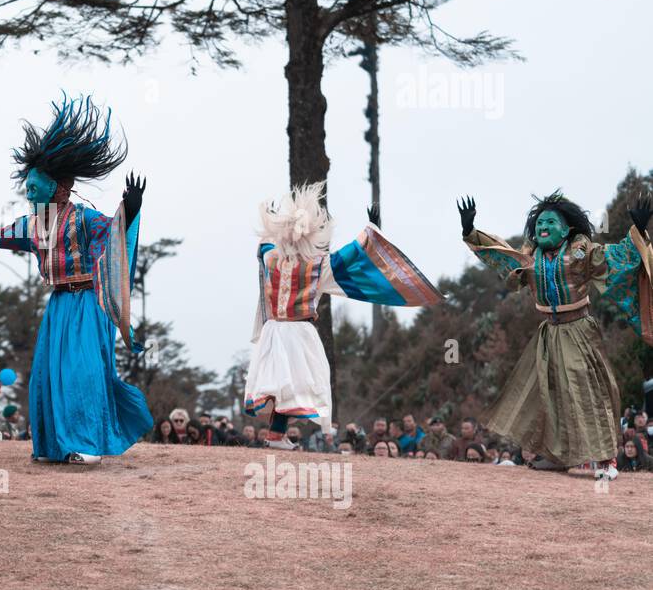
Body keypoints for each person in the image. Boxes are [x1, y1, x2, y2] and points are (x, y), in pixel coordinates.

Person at [0, 94, 149, 466]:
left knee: (80, 372)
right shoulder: (32, 225)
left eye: (36, 187)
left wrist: (129, 211)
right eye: (29, 187)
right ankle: (55, 446)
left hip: (89, 303)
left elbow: (114, 239)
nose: (30, 192)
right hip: (58, 305)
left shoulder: (84, 219)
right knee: (47, 376)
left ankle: (88, 443)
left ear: (60, 188)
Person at [458, 193, 653, 480]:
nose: (543, 227)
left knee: (587, 391)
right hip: (548, 332)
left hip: (579, 329)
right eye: (539, 223)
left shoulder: (580, 250)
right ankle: (557, 456)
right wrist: (470, 232)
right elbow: (503, 258)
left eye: (550, 221)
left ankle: (607, 460)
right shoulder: (531, 255)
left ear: (566, 229)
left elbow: (612, 259)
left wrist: (636, 229)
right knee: (548, 392)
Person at [245, 183, 443, 451]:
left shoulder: (271, 259)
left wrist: (272, 221)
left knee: (283, 383)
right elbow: (350, 256)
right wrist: (370, 230)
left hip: (274, 330)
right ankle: (276, 435)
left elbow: (263, 245)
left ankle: (276, 435)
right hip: (298, 333)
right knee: (302, 383)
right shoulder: (316, 267)